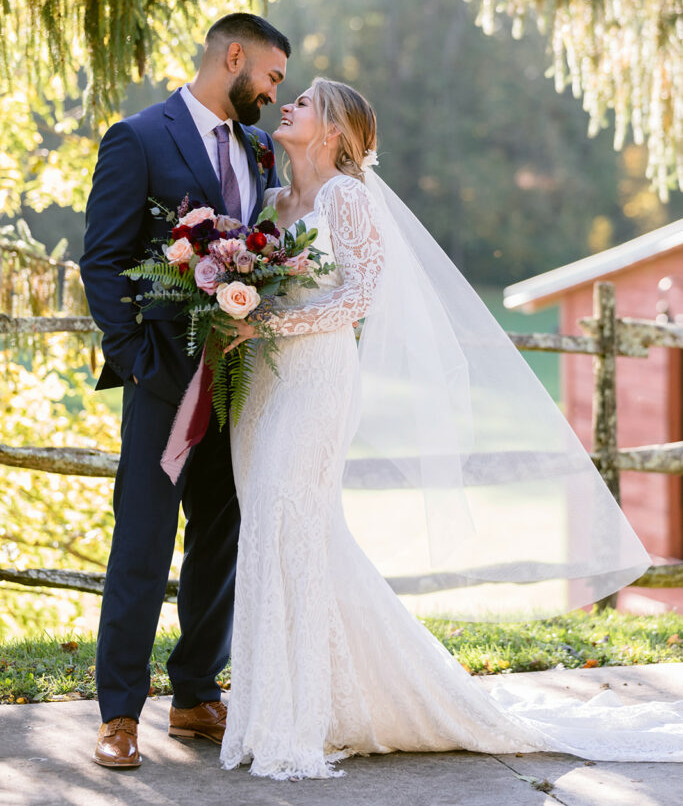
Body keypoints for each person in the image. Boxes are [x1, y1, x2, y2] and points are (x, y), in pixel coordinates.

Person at [215, 78, 683, 780]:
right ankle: (274, 708)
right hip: (263, 386)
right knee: (272, 530)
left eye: (305, 102)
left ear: (335, 132)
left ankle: (298, 720)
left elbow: (360, 294)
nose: (289, 107)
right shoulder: (275, 202)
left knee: (292, 518)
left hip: (316, 381)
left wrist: (271, 320)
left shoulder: (346, 196)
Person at [80, 12, 289, 768]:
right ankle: (118, 716)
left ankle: (196, 695)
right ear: (231, 56)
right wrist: (134, 355)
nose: (272, 91)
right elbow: (102, 258)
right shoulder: (137, 137)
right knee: (141, 542)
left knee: (219, 538)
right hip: (164, 378)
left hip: (240, 378)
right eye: (269, 75)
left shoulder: (261, 148)